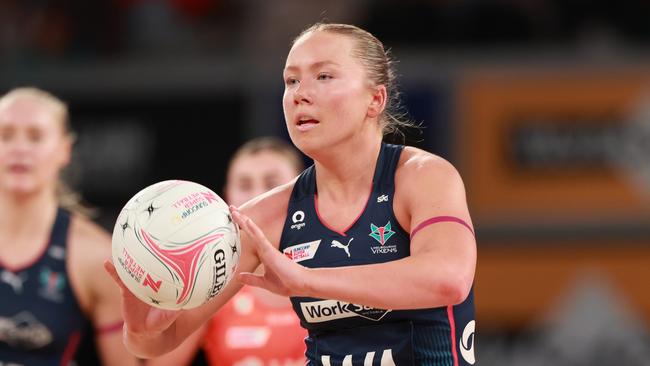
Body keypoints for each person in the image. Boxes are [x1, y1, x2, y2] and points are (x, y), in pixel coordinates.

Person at [106, 22, 477, 366]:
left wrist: (305, 281)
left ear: (375, 100)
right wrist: (142, 325)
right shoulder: (267, 215)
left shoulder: (422, 177)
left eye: (324, 76)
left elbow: (448, 279)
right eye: (291, 81)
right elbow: (158, 343)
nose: (300, 94)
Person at [0, 87, 139, 366]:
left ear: (65, 149)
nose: (20, 148)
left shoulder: (96, 255)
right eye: (5, 135)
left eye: (36, 136)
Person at [147, 137, 307, 366]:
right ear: (227, 197)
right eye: (244, 185)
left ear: (302, 191)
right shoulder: (208, 281)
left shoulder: (334, 267)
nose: (258, 196)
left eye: (272, 184)